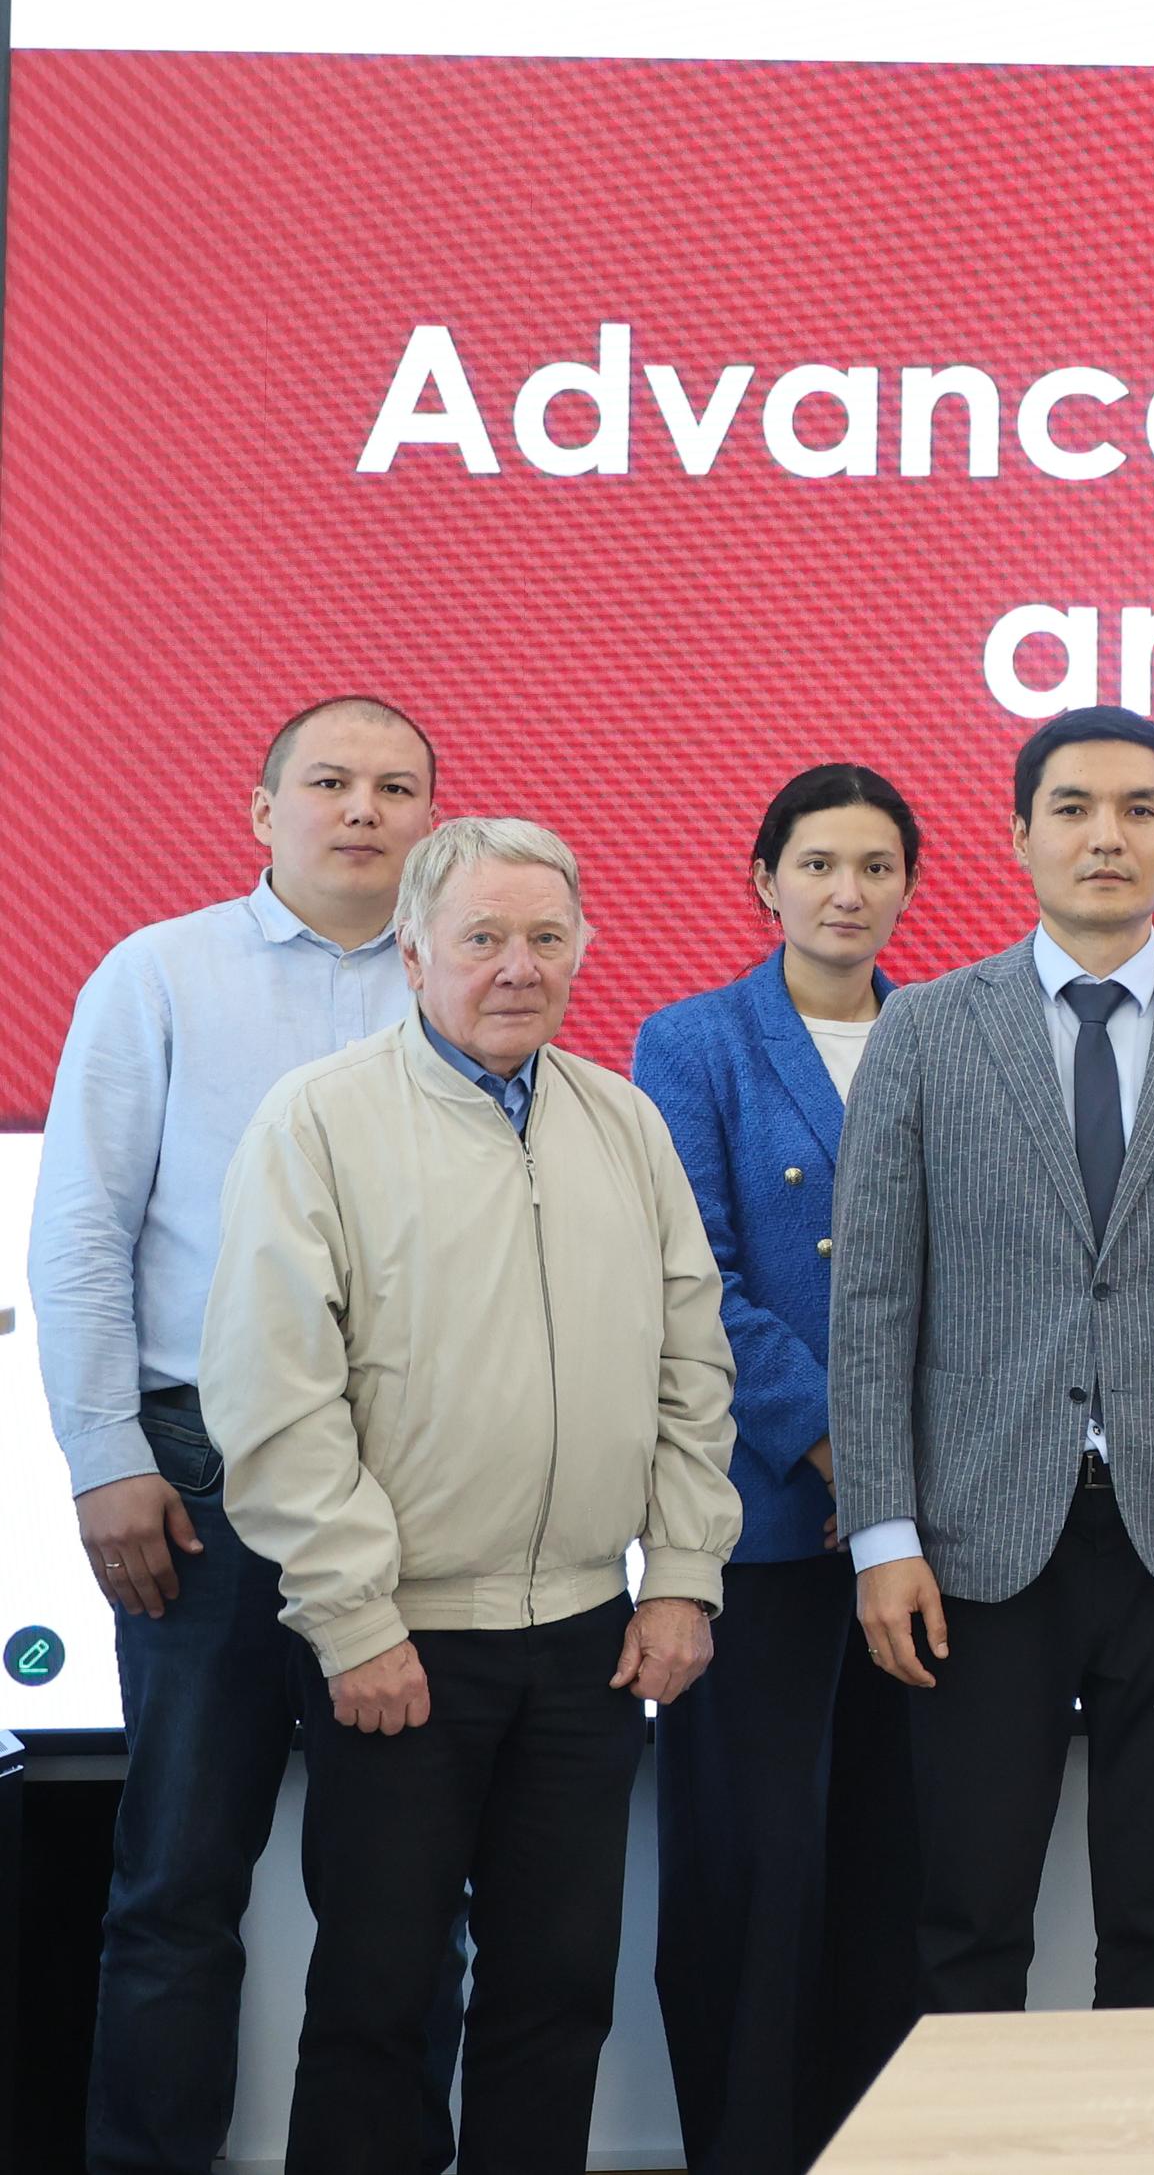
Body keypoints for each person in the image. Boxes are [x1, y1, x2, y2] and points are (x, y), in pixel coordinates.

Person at [202, 816, 741, 2175]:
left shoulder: (623, 1122)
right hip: (400, 1642)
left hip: (587, 1639)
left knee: (556, 1998)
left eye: (546, 937)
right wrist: (352, 1620)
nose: (518, 966)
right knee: (380, 2005)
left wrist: (681, 1577)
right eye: (484, 937)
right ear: (413, 953)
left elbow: (692, 1364)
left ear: (583, 949)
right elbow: (274, 1394)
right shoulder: (317, 1121)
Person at [827, 704, 1154, 2013]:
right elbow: (873, 1300)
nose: (1105, 835)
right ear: (1018, 835)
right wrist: (882, 1534)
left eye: (1137, 809)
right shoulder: (926, 1030)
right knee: (968, 1920)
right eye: (1072, 807)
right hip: (976, 1541)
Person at [30, 696, 455, 2175]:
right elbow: (80, 1231)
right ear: (262, 808)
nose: (364, 809)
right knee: (176, 1886)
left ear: (432, 817)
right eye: (330, 782)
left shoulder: (464, 980)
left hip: (413, 1486)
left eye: (396, 786)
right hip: (195, 1487)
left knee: (405, 1897)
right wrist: (105, 1456)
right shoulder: (160, 973)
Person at [631, 764, 929, 2175]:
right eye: (817, 863)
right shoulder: (693, 1042)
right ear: (764, 879)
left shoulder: (944, 1035)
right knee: (750, 1881)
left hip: (926, 1533)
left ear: (909, 886)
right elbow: (694, 1276)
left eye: (874, 866)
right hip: (759, 1526)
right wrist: (842, 1446)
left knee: (891, 1878)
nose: (845, 891)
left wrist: (905, 1480)